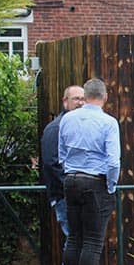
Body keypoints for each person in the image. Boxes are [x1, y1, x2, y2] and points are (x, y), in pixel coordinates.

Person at [59, 78, 120, 265]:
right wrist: (110, 186)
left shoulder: (67, 119)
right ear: (105, 97)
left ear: (84, 97)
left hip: (71, 180)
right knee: (92, 242)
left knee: (74, 238)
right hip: (95, 182)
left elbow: (62, 153)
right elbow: (113, 162)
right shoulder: (108, 123)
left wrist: (70, 171)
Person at [41, 85, 86, 237]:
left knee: (83, 242)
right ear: (65, 102)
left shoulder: (84, 127)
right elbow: (51, 163)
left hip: (83, 195)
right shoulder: (55, 128)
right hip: (65, 197)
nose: (80, 103)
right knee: (75, 240)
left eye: (83, 99)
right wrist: (72, 187)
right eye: (76, 99)